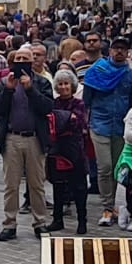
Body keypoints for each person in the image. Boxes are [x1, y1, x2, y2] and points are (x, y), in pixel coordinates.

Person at [0, 49, 54, 241]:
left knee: (37, 184)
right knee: (11, 184)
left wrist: (30, 89)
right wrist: (9, 90)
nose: (21, 62)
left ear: (32, 61)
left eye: (25, 59)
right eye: (18, 59)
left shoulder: (42, 82)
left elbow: (47, 107)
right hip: (12, 138)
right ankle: (10, 223)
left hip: (35, 138)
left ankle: (40, 223)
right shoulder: (4, 82)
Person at [81, 38, 132, 228]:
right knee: (104, 166)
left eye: (124, 49)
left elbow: (131, 101)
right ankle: (106, 205)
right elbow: (86, 99)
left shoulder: (130, 75)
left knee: (115, 167)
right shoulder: (97, 71)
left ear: (128, 52)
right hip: (99, 124)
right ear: (110, 51)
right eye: (116, 48)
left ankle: (111, 204)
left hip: (120, 126)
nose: (120, 52)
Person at [45, 68, 91, 234]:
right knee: (58, 186)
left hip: (75, 150)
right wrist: (65, 118)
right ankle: (57, 220)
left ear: (72, 86)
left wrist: (61, 119)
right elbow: (57, 122)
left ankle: (82, 221)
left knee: (79, 187)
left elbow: (78, 122)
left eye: (66, 83)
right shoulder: (53, 103)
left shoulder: (79, 103)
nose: (63, 87)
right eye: (60, 84)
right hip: (58, 149)